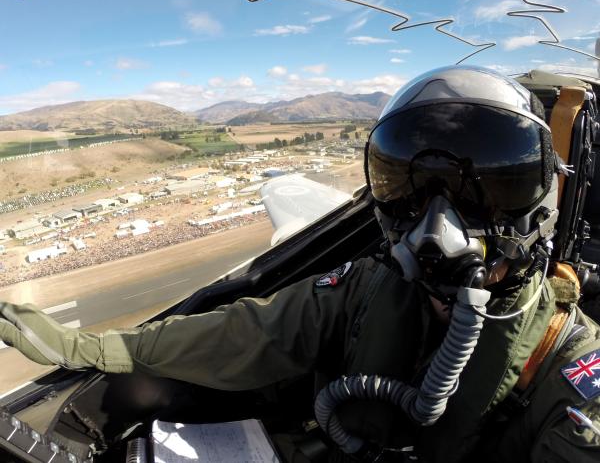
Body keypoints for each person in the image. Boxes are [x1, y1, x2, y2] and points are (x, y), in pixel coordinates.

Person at [1, 66, 599, 463]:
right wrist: (98, 349)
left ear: (539, 200)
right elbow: (247, 328)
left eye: (484, 191)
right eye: (410, 187)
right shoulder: (369, 288)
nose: (437, 226)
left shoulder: (570, 371)